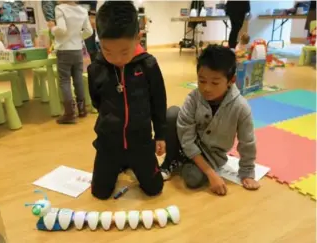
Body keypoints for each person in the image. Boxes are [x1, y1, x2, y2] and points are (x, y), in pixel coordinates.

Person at [87, 1, 167, 200]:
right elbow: (96, 100)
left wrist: (160, 135)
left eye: (124, 51)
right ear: (99, 42)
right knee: (100, 193)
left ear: (138, 38)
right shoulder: (96, 68)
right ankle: (120, 162)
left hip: (140, 141)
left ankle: (131, 162)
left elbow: (159, 101)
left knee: (155, 189)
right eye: (107, 51)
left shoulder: (148, 65)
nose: (116, 58)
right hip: (108, 142)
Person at [160, 45, 260, 196]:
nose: (206, 88)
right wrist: (211, 174)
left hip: (211, 155)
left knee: (192, 179)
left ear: (231, 80)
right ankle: (170, 161)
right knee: (172, 113)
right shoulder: (194, 98)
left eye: (214, 83)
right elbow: (186, 137)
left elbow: (247, 142)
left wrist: (247, 172)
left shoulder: (240, 107)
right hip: (187, 143)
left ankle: (184, 161)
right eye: (202, 81)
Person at [48, 1, 93, 124]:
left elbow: (61, 29)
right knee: (78, 79)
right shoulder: (83, 10)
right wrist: (77, 36)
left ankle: (69, 113)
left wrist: (52, 27)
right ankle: (82, 110)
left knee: (65, 80)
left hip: (64, 50)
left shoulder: (60, 8)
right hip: (78, 49)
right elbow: (89, 31)